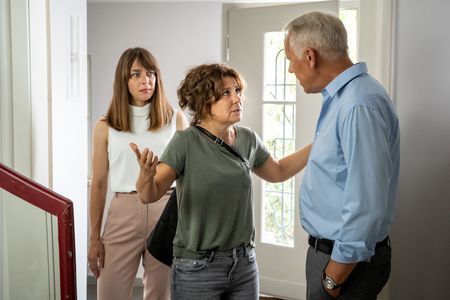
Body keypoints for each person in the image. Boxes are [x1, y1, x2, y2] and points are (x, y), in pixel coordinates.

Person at [130, 63, 312, 300]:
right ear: (204, 102)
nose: (237, 98)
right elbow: (149, 195)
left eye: (237, 90)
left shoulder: (247, 139)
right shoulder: (186, 142)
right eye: (226, 93)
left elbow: (277, 172)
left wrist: (318, 143)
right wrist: (146, 175)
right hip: (197, 268)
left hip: (244, 264)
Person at [283, 12, 400, 300]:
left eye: (290, 59)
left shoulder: (357, 104)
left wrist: (333, 276)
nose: (290, 69)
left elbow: (367, 202)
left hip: (344, 264)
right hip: (335, 256)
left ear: (310, 56)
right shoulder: (345, 98)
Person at [87, 47, 188, 300]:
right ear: (124, 80)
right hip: (123, 212)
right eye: (136, 74)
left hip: (166, 210)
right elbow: (98, 184)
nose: (146, 80)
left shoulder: (175, 119)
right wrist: (94, 238)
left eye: (151, 72)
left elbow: (187, 177)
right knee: (109, 294)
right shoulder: (105, 126)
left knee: (160, 295)